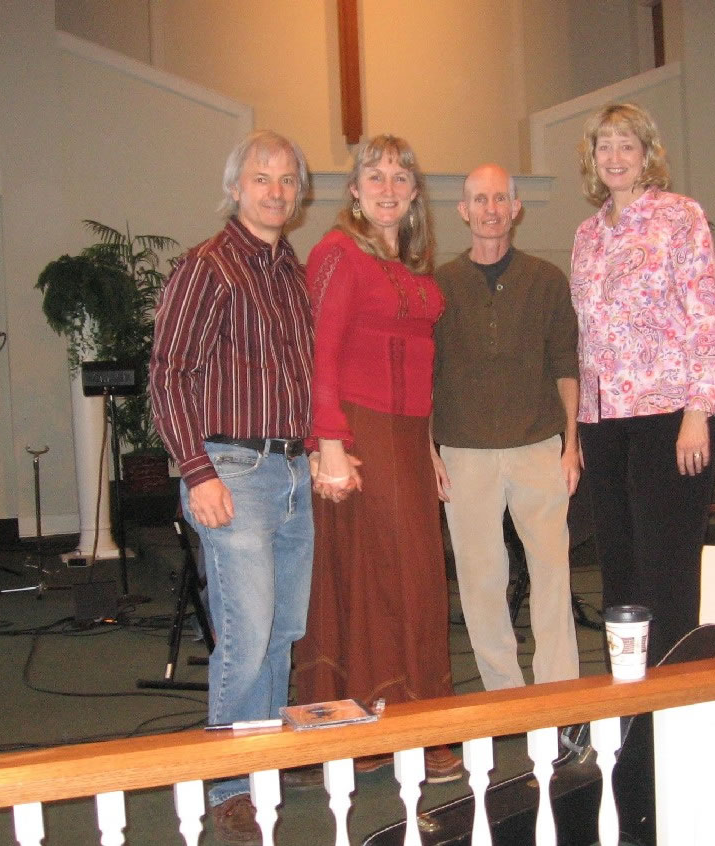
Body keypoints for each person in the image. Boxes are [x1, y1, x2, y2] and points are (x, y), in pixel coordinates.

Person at [150, 129, 314, 844]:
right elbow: (168, 375)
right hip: (232, 473)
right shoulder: (208, 267)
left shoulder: (291, 272)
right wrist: (197, 472)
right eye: (261, 178)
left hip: (293, 471)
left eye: (287, 179)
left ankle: (262, 761)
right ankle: (229, 785)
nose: (275, 191)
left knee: (282, 633)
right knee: (245, 640)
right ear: (235, 187)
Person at [293, 135, 461, 783]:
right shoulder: (337, 252)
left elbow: (422, 368)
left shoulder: (412, 267)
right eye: (375, 176)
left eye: (400, 177)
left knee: (416, 578)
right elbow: (320, 354)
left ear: (415, 193)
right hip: (357, 435)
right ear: (355, 190)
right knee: (378, 578)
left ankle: (414, 720)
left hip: (408, 440)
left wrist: (428, 447)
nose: (388, 188)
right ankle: (376, 725)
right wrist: (328, 445)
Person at [570, 102, 715, 666]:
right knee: (620, 567)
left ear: (646, 154)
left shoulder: (680, 216)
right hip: (605, 421)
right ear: (592, 157)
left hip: (672, 413)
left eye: (626, 145)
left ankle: (674, 689)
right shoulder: (587, 235)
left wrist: (697, 412)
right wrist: (582, 426)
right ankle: (632, 694)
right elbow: (587, 336)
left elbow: (706, 317)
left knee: (666, 565)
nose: (614, 156)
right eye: (604, 145)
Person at [431, 163, 581, 691]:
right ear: (463, 210)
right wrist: (430, 452)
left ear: (516, 208)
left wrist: (571, 444)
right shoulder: (439, 286)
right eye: (479, 199)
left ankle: (560, 693)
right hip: (463, 453)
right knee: (480, 583)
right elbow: (425, 376)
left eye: (500, 199)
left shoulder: (547, 280)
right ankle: (503, 695)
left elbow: (566, 366)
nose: (490, 209)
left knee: (553, 573)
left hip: (539, 447)